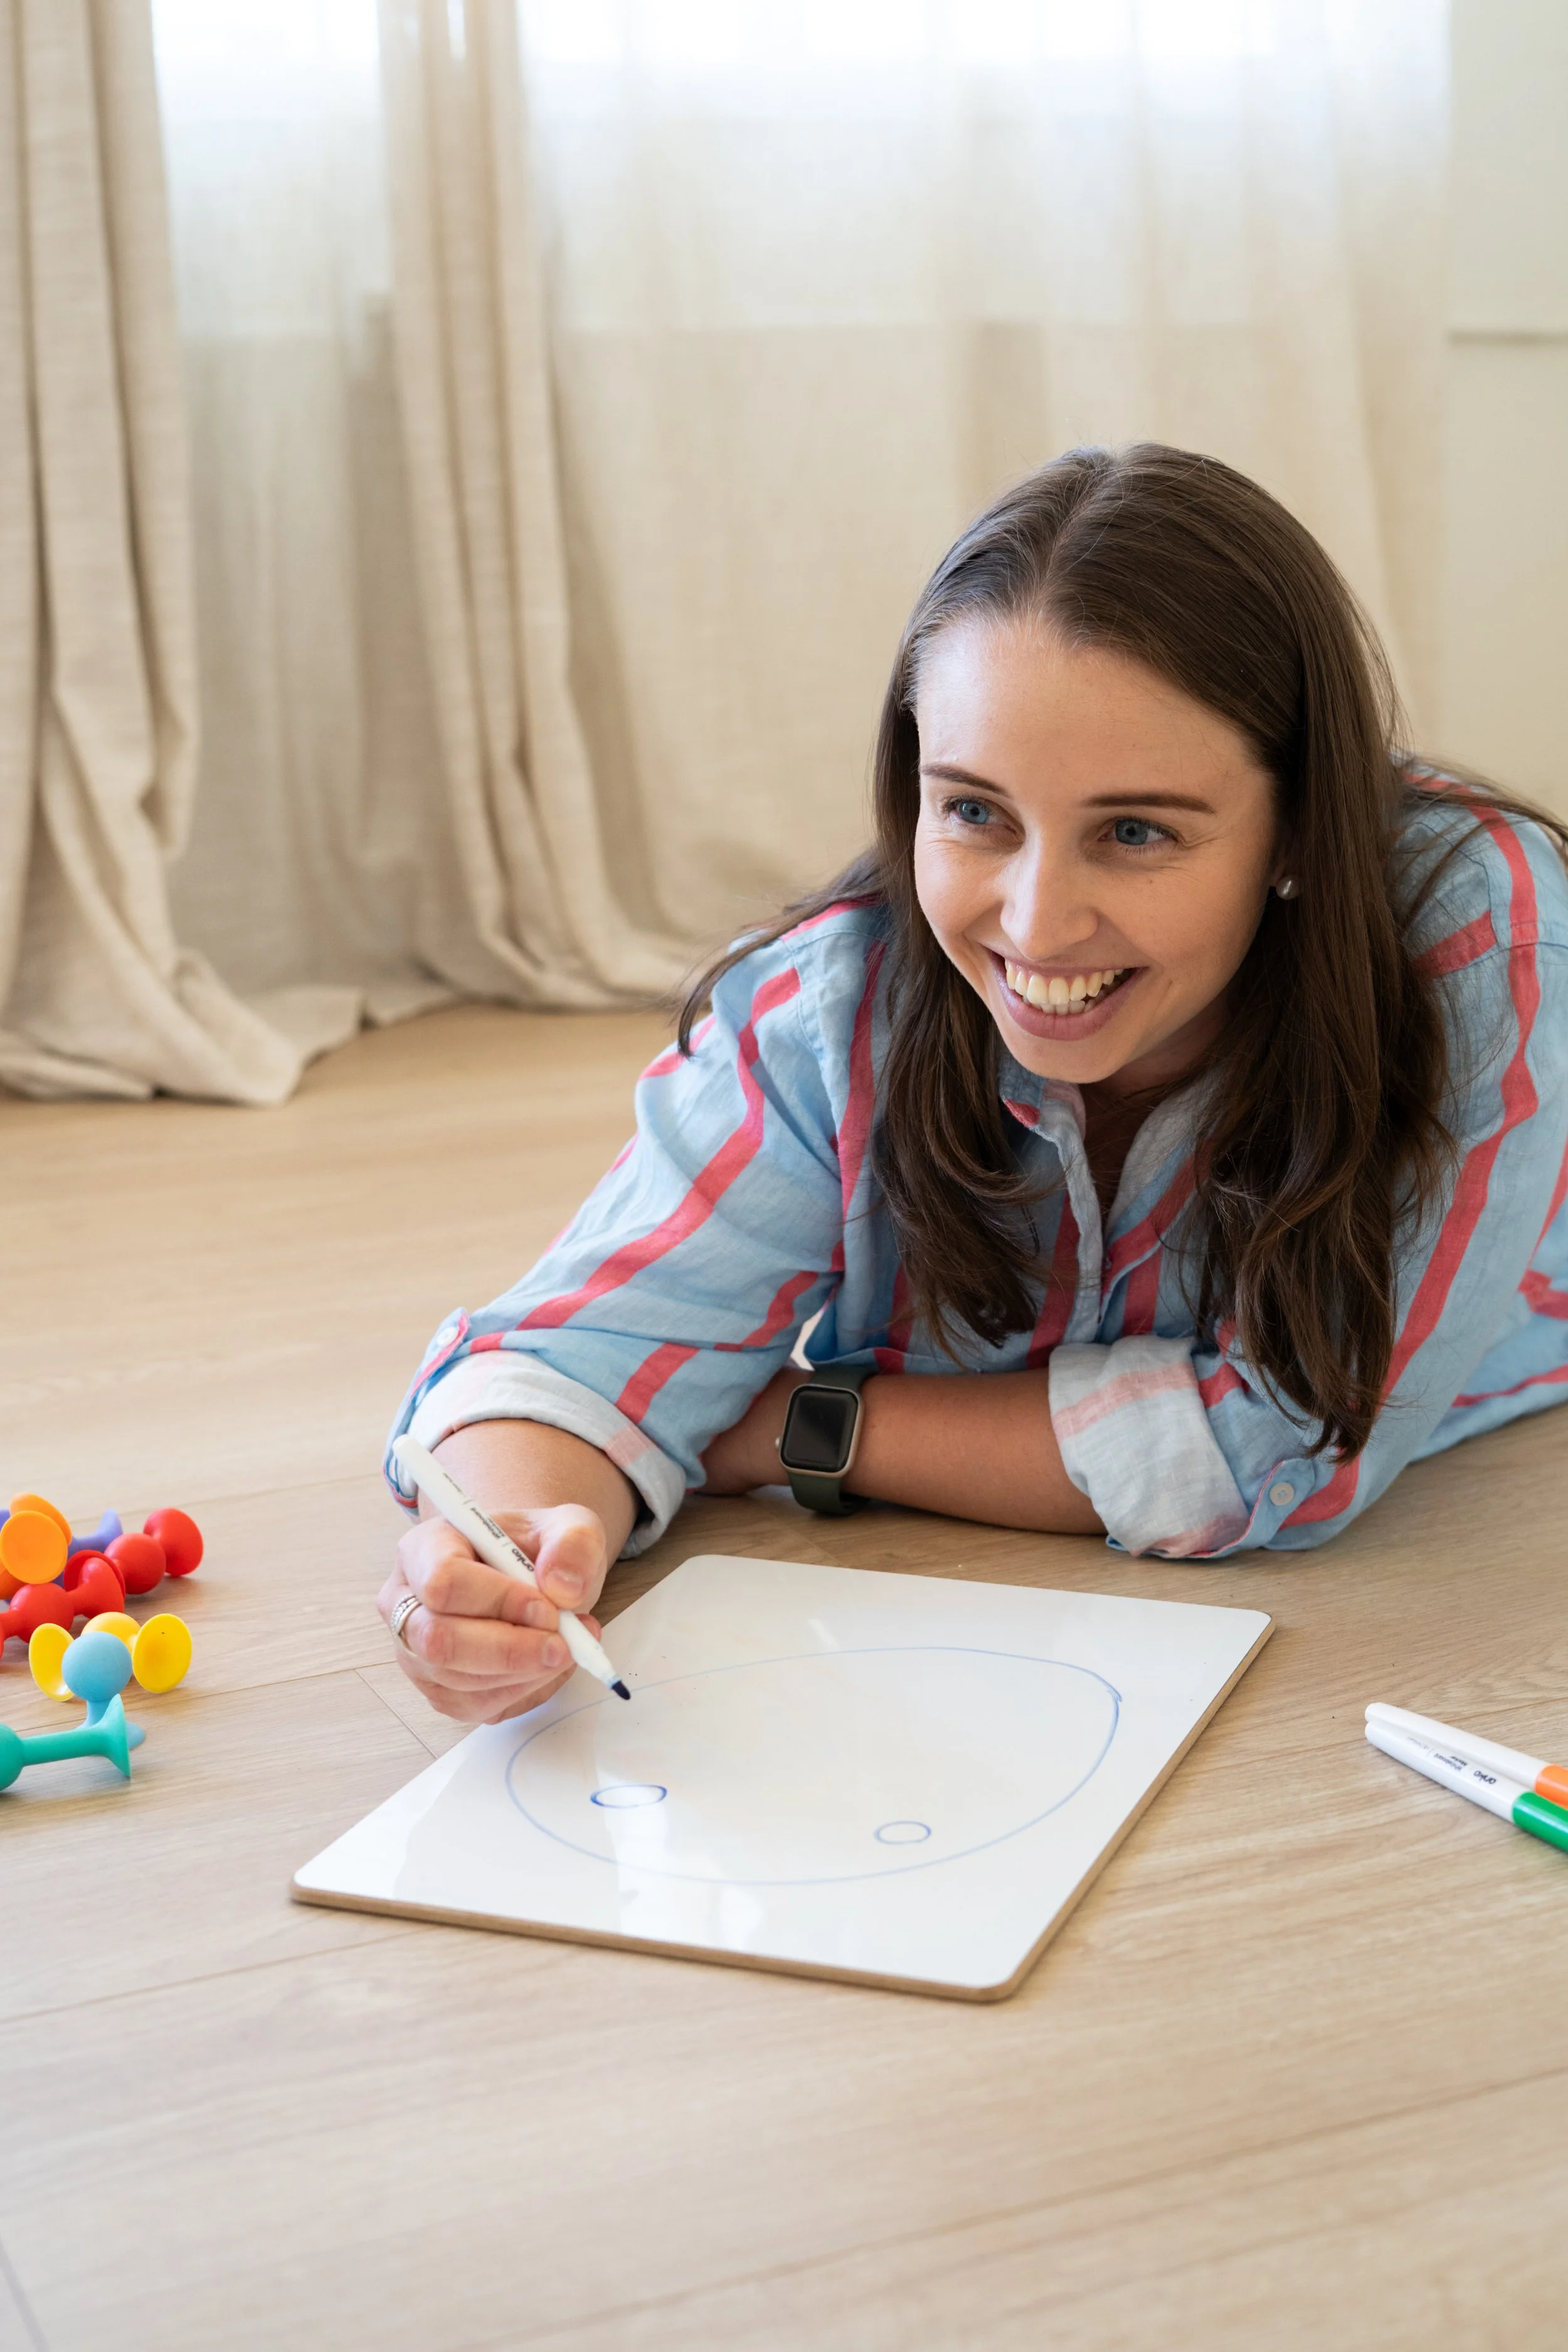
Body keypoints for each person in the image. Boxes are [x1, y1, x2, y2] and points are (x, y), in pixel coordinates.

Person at [380, 443, 1568, 1725]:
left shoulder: (1474, 944)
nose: (1036, 923)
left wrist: (796, 1425)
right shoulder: (832, 1006)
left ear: (1291, 834)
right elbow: (570, 1361)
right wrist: (512, 1538)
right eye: (974, 814)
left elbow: (1283, 1453)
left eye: (1134, 832)